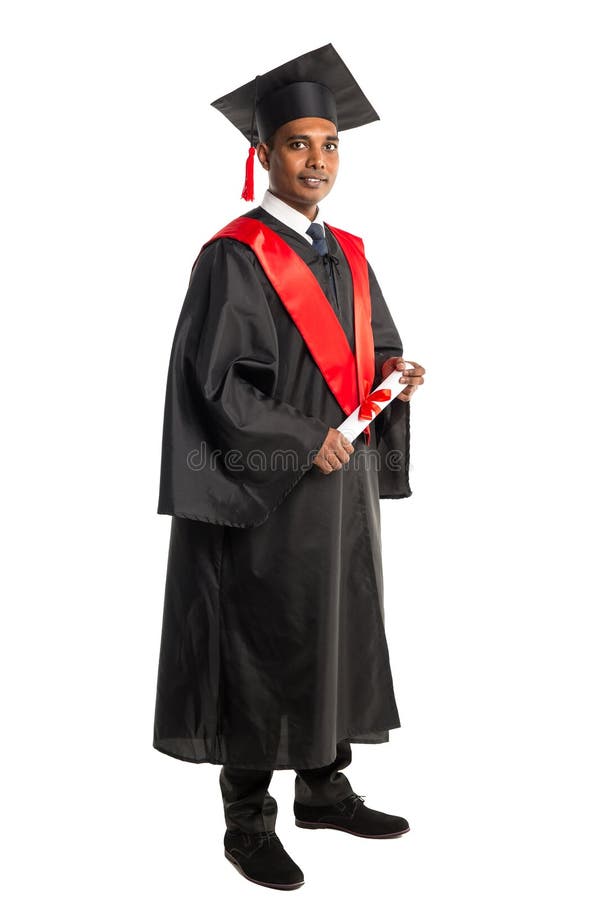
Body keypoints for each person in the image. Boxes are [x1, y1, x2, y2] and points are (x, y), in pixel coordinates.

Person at [153, 43, 426, 890]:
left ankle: (325, 789)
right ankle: (248, 821)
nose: (318, 160)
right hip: (263, 496)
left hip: (341, 494)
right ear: (263, 153)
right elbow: (215, 381)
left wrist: (396, 378)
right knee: (260, 642)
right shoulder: (235, 256)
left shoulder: (347, 251)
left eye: (331, 143)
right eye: (300, 144)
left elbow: (374, 344)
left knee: (334, 630)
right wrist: (303, 436)